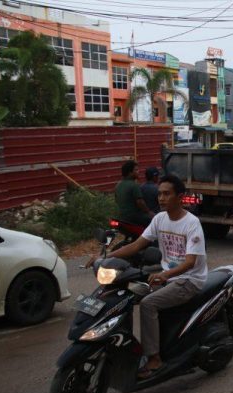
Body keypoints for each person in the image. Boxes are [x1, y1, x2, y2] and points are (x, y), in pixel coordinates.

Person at [88, 174, 206, 379]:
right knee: (124, 295)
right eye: (160, 194)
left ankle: (154, 359)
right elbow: (136, 245)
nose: (161, 198)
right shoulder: (159, 219)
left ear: (180, 197)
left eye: (167, 194)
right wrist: (104, 256)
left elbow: (190, 262)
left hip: (189, 280)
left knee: (148, 304)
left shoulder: (191, 223)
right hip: (166, 277)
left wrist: (164, 274)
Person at [115, 160, 154, 226]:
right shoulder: (134, 185)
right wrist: (149, 212)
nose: (138, 172)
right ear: (130, 172)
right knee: (154, 220)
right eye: (136, 170)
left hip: (121, 217)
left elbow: (116, 200)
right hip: (134, 217)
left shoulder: (118, 185)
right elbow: (140, 202)